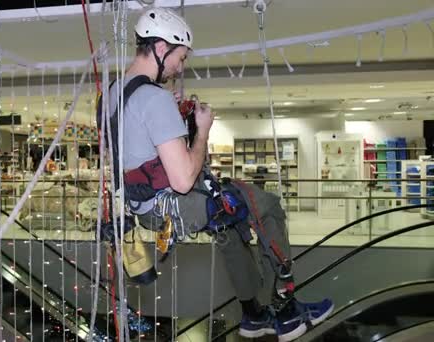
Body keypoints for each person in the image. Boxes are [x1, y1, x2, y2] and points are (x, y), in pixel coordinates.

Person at [102, 7, 334, 342]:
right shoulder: (154, 99)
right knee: (267, 205)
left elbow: (130, 147)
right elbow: (182, 180)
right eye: (180, 58)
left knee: (230, 227)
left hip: (145, 209)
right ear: (162, 48)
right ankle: (285, 308)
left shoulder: (112, 93)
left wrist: (171, 119)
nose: (180, 67)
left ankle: (253, 314)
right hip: (177, 205)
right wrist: (202, 130)